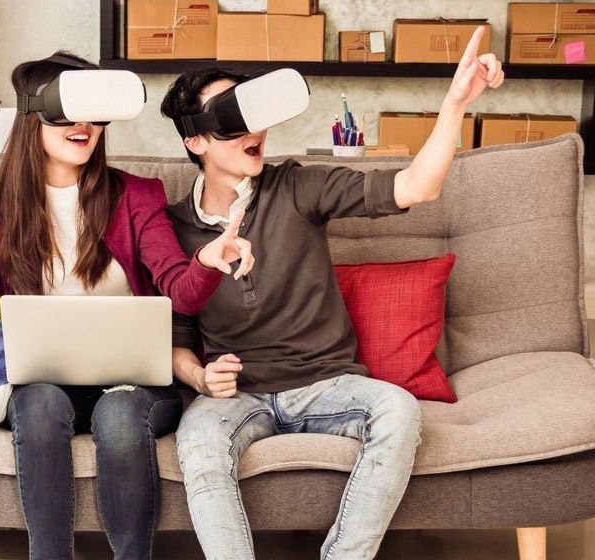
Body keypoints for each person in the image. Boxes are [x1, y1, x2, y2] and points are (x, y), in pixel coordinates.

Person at [160, 29, 504, 560]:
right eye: (232, 121)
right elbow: (176, 340)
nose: (255, 131)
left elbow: (415, 187)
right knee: (198, 439)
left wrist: (454, 106)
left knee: (398, 409)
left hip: (327, 386)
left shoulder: (297, 186)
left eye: (255, 114)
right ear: (195, 142)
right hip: (237, 397)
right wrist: (200, 376)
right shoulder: (173, 231)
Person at [0, 52, 254, 560]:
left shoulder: (136, 196)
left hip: (136, 388)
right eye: (70, 110)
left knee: (118, 414)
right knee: (38, 402)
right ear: (35, 115)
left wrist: (206, 258)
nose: (85, 125)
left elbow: (180, 290)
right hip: (48, 385)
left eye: (94, 112)